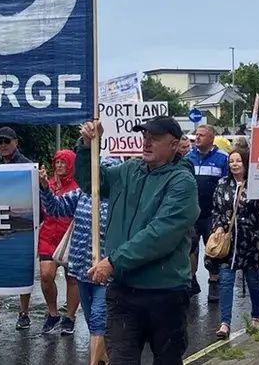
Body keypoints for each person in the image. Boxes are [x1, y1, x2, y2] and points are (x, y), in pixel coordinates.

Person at [76, 116, 199, 365]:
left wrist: (113, 261)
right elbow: (92, 183)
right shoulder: (130, 170)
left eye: (154, 138)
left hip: (165, 293)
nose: (146, 142)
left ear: (174, 145)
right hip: (124, 292)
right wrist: (87, 146)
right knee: (120, 359)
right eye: (144, 136)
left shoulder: (182, 182)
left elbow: (160, 234)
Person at [39, 152, 111, 365]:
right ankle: (103, 358)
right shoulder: (82, 194)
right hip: (81, 268)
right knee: (93, 322)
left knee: (99, 317)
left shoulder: (121, 198)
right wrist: (45, 187)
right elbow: (55, 208)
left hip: (106, 271)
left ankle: (94, 361)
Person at [212, 148, 259, 339]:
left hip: (249, 241)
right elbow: (216, 210)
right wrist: (219, 226)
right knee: (226, 281)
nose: (234, 164)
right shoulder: (222, 185)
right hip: (229, 242)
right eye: (231, 161)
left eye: (238, 161)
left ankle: (257, 316)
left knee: (253, 281)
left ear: (246, 163)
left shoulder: (257, 186)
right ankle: (225, 323)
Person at [0, 127, 35, 330]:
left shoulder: (27, 165)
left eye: (7, 141)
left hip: (20, 220)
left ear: (16, 142)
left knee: (23, 268)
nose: (3, 145)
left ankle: (24, 313)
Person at [34, 150, 81, 335]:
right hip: (48, 237)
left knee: (72, 279)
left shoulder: (78, 186)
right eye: (57, 162)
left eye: (64, 162)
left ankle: (69, 317)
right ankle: (52, 313)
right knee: (46, 276)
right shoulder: (48, 184)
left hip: (70, 238)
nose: (59, 165)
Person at [184, 124, 229, 300]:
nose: (197, 138)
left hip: (213, 213)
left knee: (213, 250)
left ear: (211, 138)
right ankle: (191, 280)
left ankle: (214, 282)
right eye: (196, 135)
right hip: (192, 213)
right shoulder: (188, 158)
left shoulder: (222, 159)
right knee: (190, 249)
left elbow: (226, 185)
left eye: (201, 135)